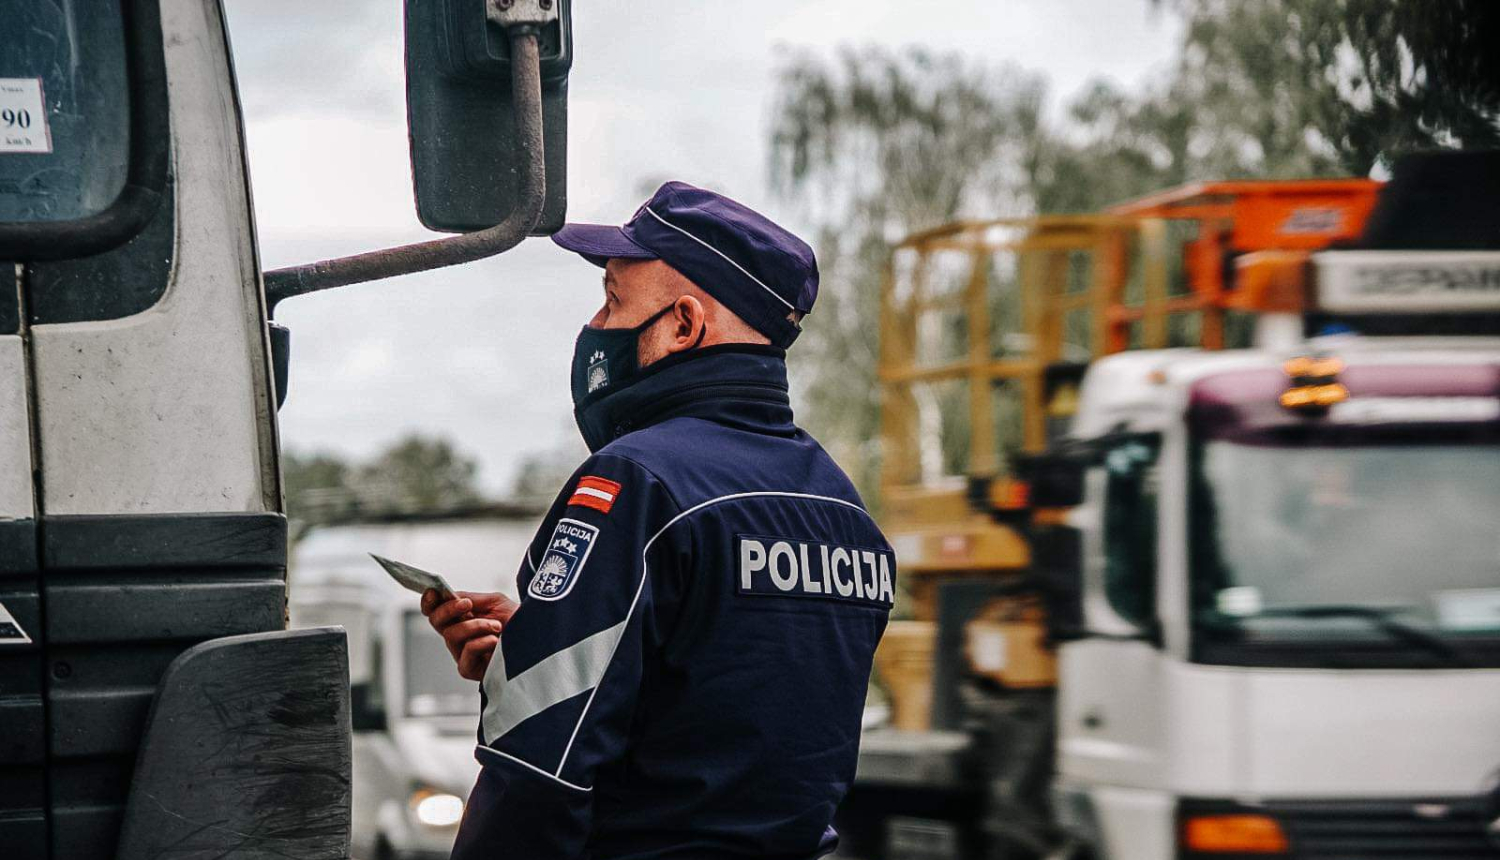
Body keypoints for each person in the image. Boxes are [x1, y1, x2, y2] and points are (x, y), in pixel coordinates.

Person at [422, 181, 895, 859]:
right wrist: (532, 656)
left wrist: (539, 689)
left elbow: (538, 770)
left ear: (684, 324)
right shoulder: (844, 509)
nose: (598, 326)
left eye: (614, 299)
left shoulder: (635, 482)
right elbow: (729, 716)